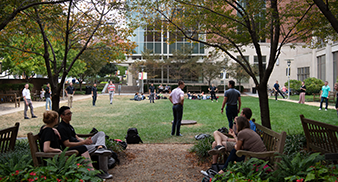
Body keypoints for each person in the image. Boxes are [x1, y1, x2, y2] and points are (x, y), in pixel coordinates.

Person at [57, 106, 113, 179]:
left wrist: (86, 141)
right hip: (76, 148)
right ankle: (103, 171)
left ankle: (100, 147)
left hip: (81, 144)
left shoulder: (69, 125)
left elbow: (76, 137)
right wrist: (83, 143)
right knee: (102, 150)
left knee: (101, 133)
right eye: (68, 114)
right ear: (62, 116)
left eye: (71, 113)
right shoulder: (61, 128)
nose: (70, 115)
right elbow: (67, 144)